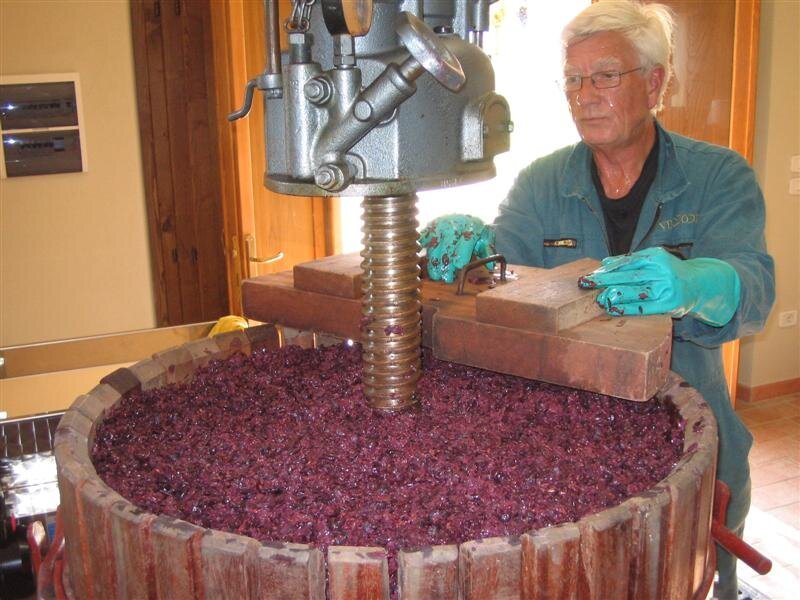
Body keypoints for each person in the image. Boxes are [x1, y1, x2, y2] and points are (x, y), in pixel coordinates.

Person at [419, 1, 775, 597]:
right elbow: (503, 272)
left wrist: (696, 284)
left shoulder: (718, 176)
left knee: (693, 578)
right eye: (573, 80)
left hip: (690, 436)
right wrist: (472, 258)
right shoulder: (542, 181)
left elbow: (754, 285)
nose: (584, 95)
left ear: (655, 82)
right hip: (567, 439)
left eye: (605, 75)